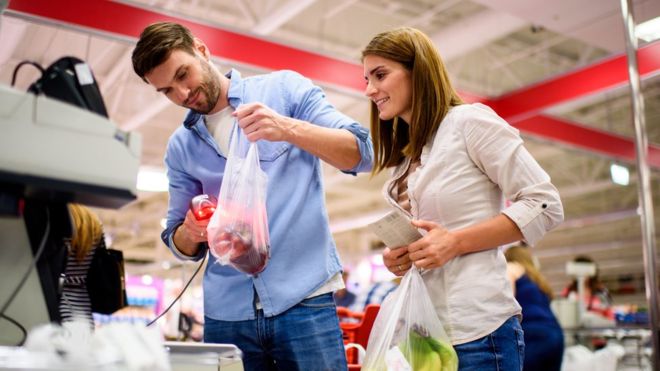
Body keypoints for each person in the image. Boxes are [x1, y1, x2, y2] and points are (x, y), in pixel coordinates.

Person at [131, 22, 373, 370]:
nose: (183, 93)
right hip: (227, 315)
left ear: (201, 49)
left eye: (184, 74)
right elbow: (176, 240)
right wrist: (190, 232)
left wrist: (287, 128)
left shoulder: (283, 90)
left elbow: (362, 153)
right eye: (167, 90)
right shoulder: (180, 148)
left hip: (304, 300)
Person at [361, 27, 564, 370]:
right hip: (425, 336)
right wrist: (403, 254)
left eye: (380, 75)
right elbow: (434, 237)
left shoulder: (470, 122)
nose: (370, 89)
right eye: (366, 78)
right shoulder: (408, 158)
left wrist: (454, 242)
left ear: (418, 70)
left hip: (479, 333)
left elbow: (544, 203)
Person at [505, 244, 564, 371]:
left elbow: (507, 301)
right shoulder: (536, 278)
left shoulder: (510, 267)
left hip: (533, 334)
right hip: (555, 334)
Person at [58, 203, 105, 329]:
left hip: (53, 306)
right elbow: (99, 268)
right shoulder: (93, 222)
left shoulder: (57, 217)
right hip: (83, 310)